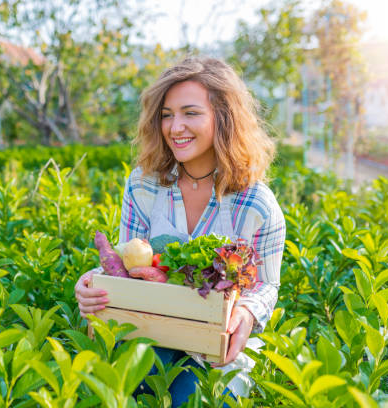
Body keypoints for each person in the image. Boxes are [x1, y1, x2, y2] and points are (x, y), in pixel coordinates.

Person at [74, 56, 286, 404]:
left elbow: (266, 283)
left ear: (223, 118)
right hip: (149, 334)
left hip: (215, 352)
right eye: (167, 115)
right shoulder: (144, 185)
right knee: (124, 390)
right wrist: (95, 282)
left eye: (191, 113)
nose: (175, 127)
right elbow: (127, 264)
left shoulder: (255, 203)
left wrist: (245, 313)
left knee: (190, 399)